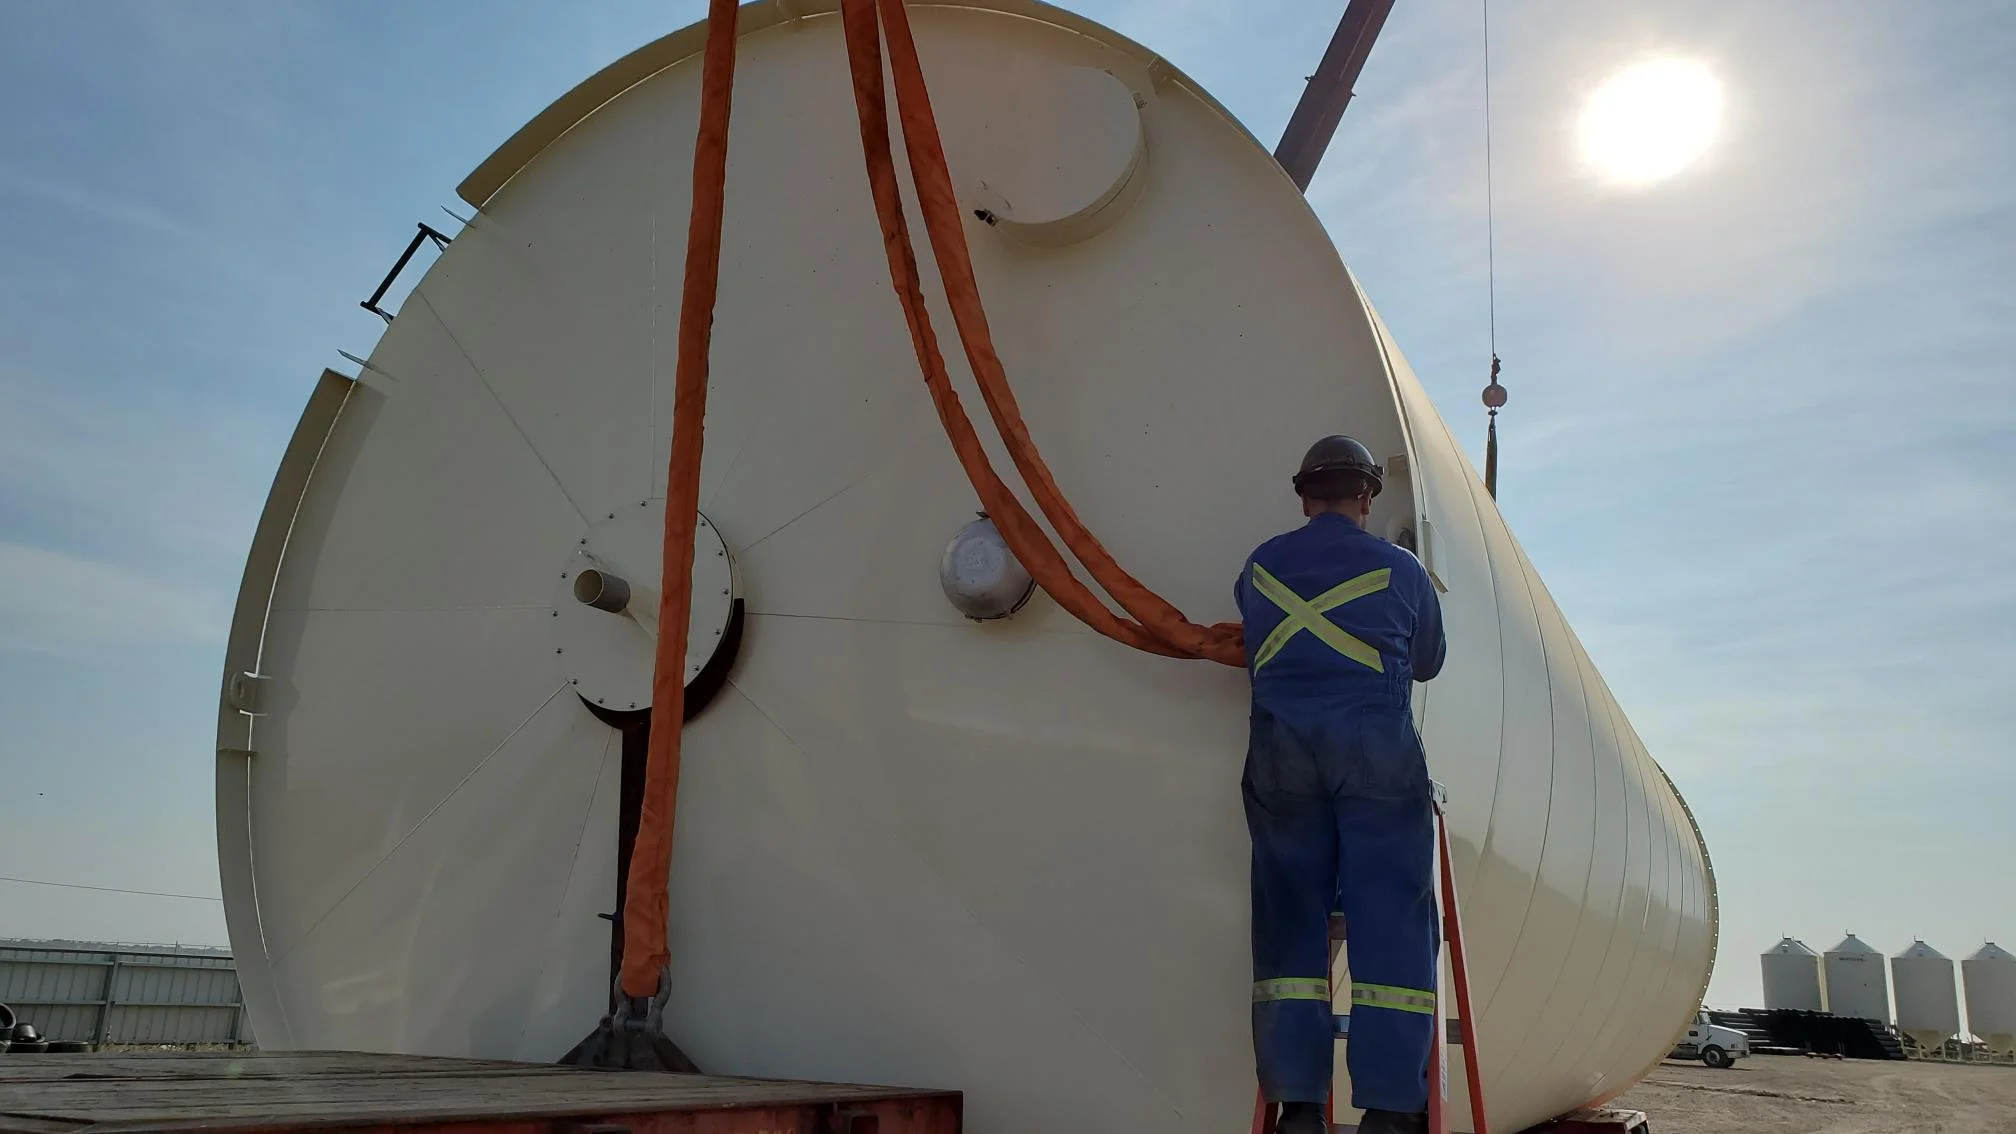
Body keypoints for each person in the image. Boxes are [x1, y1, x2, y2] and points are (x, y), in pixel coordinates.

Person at [1234, 434, 1447, 1134]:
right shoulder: (1402, 569)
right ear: (1366, 498)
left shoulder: (1260, 566)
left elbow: (1255, 644)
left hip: (1281, 755)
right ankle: (1389, 1108)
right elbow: (1428, 662)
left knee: (1288, 918)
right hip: (1374, 752)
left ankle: (1297, 1106)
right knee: (1390, 914)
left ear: (1304, 499)